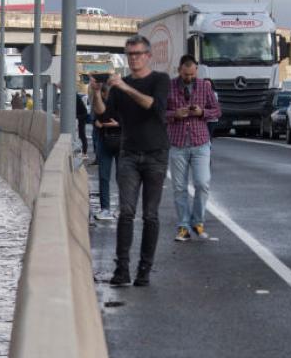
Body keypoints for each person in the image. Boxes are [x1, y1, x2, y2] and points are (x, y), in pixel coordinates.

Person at [91, 34, 171, 287]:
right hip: (128, 154)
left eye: (138, 54)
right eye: (130, 54)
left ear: (148, 55)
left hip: (156, 154)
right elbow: (105, 116)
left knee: (150, 215)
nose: (134, 58)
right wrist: (95, 94)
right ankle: (122, 269)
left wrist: (125, 87)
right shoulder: (119, 86)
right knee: (125, 213)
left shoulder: (160, 80)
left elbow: (154, 106)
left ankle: (144, 270)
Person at [167, 55, 222, 241]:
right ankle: (183, 226)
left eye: (191, 74)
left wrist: (202, 112)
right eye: (185, 74)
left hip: (200, 143)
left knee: (202, 183)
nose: (188, 78)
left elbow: (217, 110)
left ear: (196, 70)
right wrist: (175, 114)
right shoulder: (169, 87)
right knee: (179, 187)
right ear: (179, 70)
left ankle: (198, 221)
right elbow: (158, 112)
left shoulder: (205, 87)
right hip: (178, 143)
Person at [92, 79, 120, 221]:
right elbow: (96, 116)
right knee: (103, 176)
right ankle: (105, 208)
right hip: (104, 140)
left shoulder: (124, 101)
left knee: (122, 177)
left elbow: (133, 121)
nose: (108, 95)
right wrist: (96, 122)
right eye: (106, 93)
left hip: (122, 141)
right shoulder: (100, 101)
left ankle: (122, 207)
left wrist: (118, 124)